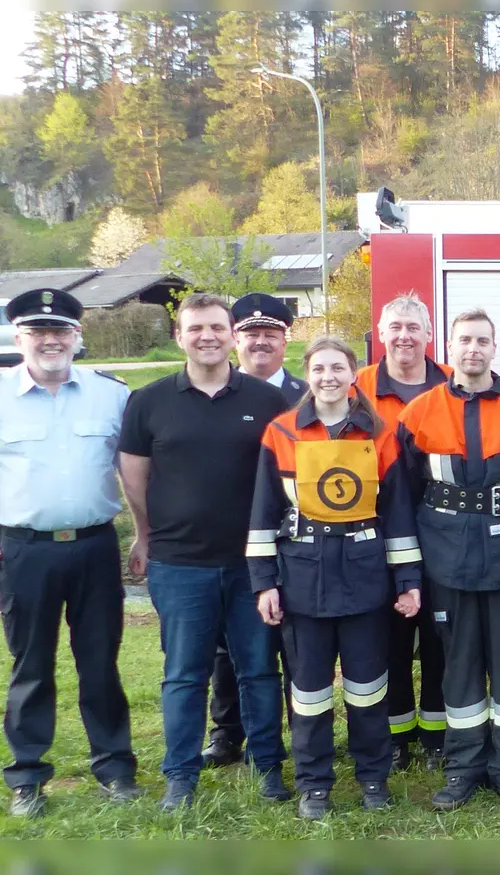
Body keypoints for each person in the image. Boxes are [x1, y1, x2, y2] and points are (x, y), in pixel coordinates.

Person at [119, 293, 291, 811]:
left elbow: (288, 476)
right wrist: (144, 535)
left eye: (217, 327)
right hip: (179, 564)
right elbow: (134, 477)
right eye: (196, 329)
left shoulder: (265, 400)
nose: (208, 337)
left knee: (259, 669)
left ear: (231, 332)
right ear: (180, 336)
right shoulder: (148, 401)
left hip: (253, 566)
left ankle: (268, 768)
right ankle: (180, 776)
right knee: (184, 675)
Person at [246, 337, 424, 820]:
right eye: (320, 368)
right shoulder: (281, 433)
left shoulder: (380, 434)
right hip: (302, 582)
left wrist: (408, 579)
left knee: (369, 689)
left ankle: (372, 778)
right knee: (308, 694)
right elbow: (264, 512)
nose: (329, 377)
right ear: (309, 374)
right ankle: (314, 784)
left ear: (353, 375)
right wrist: (264, 582)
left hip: (365, 580)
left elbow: (398, 513)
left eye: (338, 368)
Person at [396, 309, 500, 813]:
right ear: (450, 345)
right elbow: (404, 494)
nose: (473, 349)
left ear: (494, 347)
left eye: (483, 340)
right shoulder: (417, 413)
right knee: (458, 668)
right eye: (465, 340)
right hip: (447, 563)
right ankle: (463, 768)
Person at [0, 289, 139, 818]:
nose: (50, 340)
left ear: (77, 337)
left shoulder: (111, 396)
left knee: (100, 662)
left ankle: (114, 766)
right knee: (30, 665)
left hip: (94, 547)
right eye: (38, 331)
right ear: (21, 338)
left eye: (60, 330)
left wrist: (143, 537)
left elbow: (132, 472)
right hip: (23, 550)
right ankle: (28, 775)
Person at [202, 292, 305, 770]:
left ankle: (297, 728)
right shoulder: (216, 393)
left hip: (299, 538)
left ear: (286, 340)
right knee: (230, 644)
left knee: (294, 639)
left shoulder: (308, 393)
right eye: (250, 333)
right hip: (233, 534)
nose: (260, 342)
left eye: (271, 334)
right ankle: (228, 732)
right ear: (235, 340)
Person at [357, 291, 454, 772]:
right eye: (395, 327)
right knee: (390, 637)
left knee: (438, 637)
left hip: (442, 531)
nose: (404, 336)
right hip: (376, 533)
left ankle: (437, 736)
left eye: (413, 327)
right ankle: (396, 733)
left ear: (429, 336)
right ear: (380, 333)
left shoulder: (452, 386)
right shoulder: (357, 387)